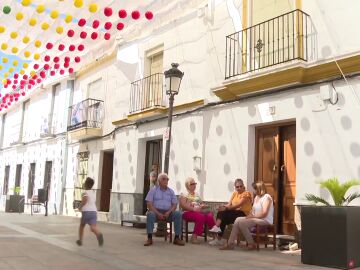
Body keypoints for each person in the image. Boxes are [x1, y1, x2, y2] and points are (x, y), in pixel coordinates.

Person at [220, 181, 274, 250]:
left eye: (255, 189)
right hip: (255, 218)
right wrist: (249, 215)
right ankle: (230, 243)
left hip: (265, 220)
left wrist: (252, 217)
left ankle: (251, 243)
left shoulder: (267, 197)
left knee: (242, 223)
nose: (254, 190)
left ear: (260, 189)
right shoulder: (257, 197)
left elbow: (264, 213)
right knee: (238, 219)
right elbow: (253, 210)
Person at [144, 173, 185, 246]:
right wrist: (157, 213)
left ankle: (176, 238)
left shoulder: (171, 191)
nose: (166, 180)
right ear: (159, 181)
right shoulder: (153, 190)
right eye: (164, 179)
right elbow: (149, 204)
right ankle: (149, 238)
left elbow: (174, 204)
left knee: (178, 214)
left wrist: (168, 212)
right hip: (155, 211)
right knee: (150, 214)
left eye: (167, 179)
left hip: (168, 213)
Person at [208, 178, 252, 245]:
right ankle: (219, 238)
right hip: (234, 213)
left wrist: (225, 209)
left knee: (224, 213)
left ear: (243, 186)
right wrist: (223, 207)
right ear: (235, 187)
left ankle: (216, 227)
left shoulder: (246, 194)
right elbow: (229, 204)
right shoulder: (234, 194)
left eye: (241, 186)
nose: (239, 188)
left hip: (243, 214)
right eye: (237, 187)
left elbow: (238, 205)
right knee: (222, 214)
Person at [179, 177, 216, 244]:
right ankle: (194, 237)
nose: (194, 185)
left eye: (195, 183)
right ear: (187, 185)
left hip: (198, 212)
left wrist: (203, 206)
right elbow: (183, 205)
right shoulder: (184, 194)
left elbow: (202, 203)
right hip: (187, 212)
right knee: (200, 217)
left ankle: (215, 236)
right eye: (192, 184)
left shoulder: (197, 194)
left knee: (210, 216)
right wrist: (193, 209)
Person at [76, 177, 104, 247]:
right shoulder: (93, 193)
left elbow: (85, 200)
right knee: (93, 227)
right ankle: (98, 234)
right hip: (94, 212)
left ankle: (80, 240)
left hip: (86, 212)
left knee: (82, 226)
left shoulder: (84, 192)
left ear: (85, 184)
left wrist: (80, 207)